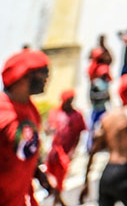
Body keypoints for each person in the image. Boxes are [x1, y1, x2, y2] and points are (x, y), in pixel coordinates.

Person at [0, 49, 62, 205]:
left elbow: (24, 148)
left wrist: (39, 173)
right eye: (44, 71)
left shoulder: (30, 109)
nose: (48, 77)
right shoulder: (3, 115)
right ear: (24, 74)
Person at [81, 73, 127, 206]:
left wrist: (86, 182)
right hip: (125, 172)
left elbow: (94, 149)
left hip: (107, 173)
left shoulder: (108, 117)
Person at [45, 88, 87, 200]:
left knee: (60, 179)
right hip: (53, 151)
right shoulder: (54, 112)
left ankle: (59, 200)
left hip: (65, 152)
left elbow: (79, 134)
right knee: (49, 177)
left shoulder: (77, 115)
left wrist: (73, 151)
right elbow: (48, 129)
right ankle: (57, 200)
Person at [88, 63, 112, 150]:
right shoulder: (95, 83)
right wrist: (103, 95)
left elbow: (108, 96)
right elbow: (92, 96)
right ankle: (90, 147)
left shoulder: (106, 83)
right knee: (92, 128)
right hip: (96, 109)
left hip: (103, 109)